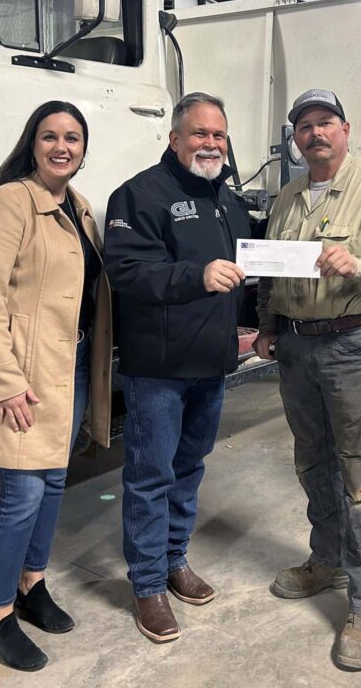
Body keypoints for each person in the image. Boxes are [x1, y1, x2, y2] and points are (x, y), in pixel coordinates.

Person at [253, 88, 361, 671]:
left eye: (325, 123)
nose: (315, 133)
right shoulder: (289, 196)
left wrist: (360, 262)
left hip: (351, 342)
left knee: (360, 471)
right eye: (305, 127)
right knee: (311, 459)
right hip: (297, 346)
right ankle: (327, 560)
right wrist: (268, 327)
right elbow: (272, 269)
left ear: (345, 130)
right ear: (295, 138)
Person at [0, 101, 112, 672]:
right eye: (50, 136)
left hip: (66, 371)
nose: (62, 146)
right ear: (33, 143)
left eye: (73, 137)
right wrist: (6, 383)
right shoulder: (10, 201)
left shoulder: (82, 208)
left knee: (53, 481)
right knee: (20, 496)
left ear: (83, 148)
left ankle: (31, 582)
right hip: (21, 375)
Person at [103, 91, 251, 644]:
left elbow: (248, 273)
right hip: (158, 370)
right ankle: (146, 586)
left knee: (189, 469)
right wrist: (196, 275)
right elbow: (126, 272)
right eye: (199, 133)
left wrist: (263, 324)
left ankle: (174, 560)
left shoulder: (229, 203)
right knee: (150, 476)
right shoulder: (139, 195)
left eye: (218, 135)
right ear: (174, 138)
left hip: (212, 364)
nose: (210, 143)